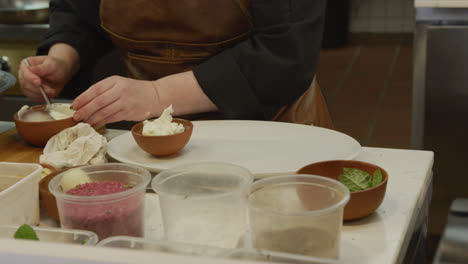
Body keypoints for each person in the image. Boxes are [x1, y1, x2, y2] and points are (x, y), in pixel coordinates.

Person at [18, 0, 333, 129]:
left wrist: (157, 96)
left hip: (266, 125)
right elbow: (78, 12)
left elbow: (286, 50)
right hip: (145, 132)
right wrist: (62, 58)